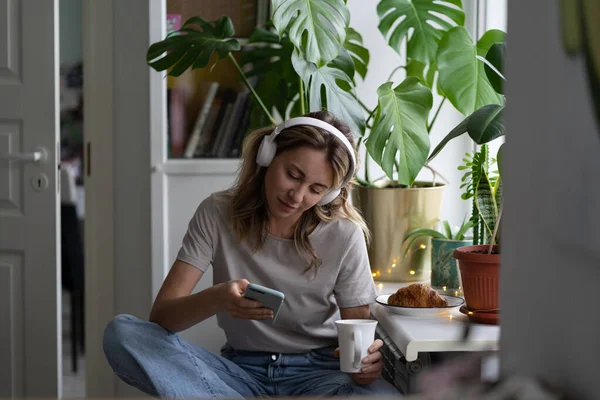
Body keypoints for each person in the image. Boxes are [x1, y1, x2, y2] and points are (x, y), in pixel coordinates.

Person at [103, 111, 399, 398]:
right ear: (267, 156)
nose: (297, 196)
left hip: (320, 374)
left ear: (331, 194)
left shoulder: (344, 234)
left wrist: (365, 365)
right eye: (293, 175)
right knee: (124, 333)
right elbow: (162, 318)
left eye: (316, 189)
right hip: (238, 374)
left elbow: (359, 335)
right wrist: (219, 297)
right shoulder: (216, 212)